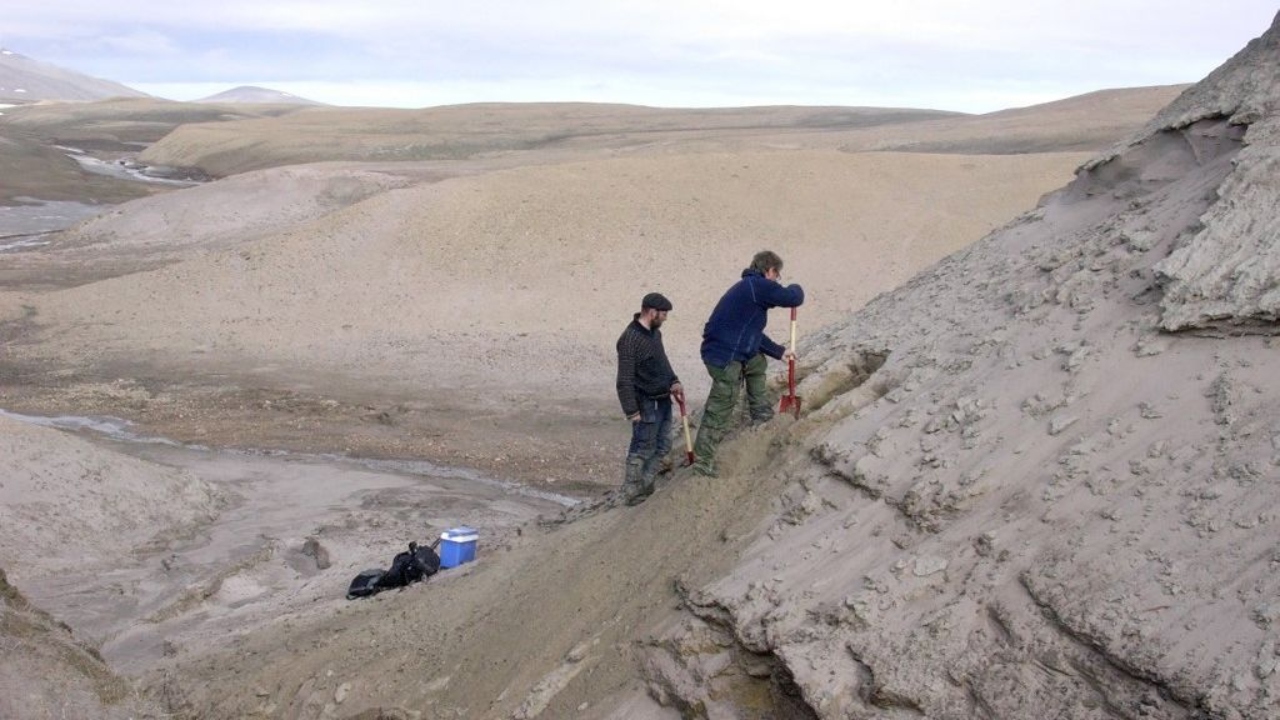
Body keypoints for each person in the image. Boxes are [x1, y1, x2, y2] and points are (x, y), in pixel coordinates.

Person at [691, 251, 804, 478]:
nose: (777, 280)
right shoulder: (756, 285)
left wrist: (780, 352)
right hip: (723, 356)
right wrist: (796, 286)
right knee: (722, 404)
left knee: (756, 363)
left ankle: (761, 414)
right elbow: (793, 297)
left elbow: (752, 334)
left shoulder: (748, 290)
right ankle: (703, 462)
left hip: (733, 349)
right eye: (777, 275)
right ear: (769, 270)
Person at [615, 292, 684, 505]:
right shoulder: (629, 339)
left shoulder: (655, 334)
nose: (665, 318)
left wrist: (674, 380)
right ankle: (632, 493)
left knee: (663, 446)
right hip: (645, 403)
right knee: (643, 448)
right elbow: (624, 379)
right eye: (663, 314)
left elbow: (662, 361)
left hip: (663, 399)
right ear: (651, 312)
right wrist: (631, 411)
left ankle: (646, 487)